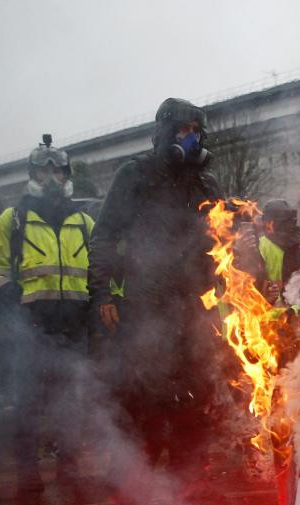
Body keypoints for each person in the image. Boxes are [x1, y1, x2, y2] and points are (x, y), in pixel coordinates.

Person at [87, 98, 225, 481]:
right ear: (164, 134)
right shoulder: (135, 175)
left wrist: (225, 287)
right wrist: (103, 294)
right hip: (145, 306)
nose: (192, 139)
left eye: (197, 131)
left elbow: (221, 243)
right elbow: (103, 237)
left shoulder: (206, 181)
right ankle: (138, 489)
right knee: (144, 397)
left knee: (195, 401)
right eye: (183, 131)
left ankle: (189, 489)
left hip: (195, 310)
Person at [0, 135, 94, 487]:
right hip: (28, 329)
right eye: (44, 173)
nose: (52, 180)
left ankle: (70, 467)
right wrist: (8, 293)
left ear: (66, 176)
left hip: (73, 327)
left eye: (57, 173)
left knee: (70, 403)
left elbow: (101, 269)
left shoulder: (84, 222)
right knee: (27, 402)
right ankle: (28, 472)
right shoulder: (12, 220)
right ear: (32, 175)